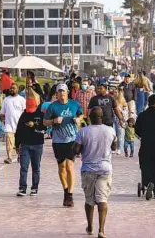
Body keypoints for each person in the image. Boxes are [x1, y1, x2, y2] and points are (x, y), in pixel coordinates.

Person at [72, 107, 117, 238]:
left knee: (89, 200)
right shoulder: (110, 130)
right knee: (102, 199)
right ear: (102, 116)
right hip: (105, 169)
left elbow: (76, 149)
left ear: (90, 117)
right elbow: (114, 147)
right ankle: (101, 230)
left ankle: (90, 226)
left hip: (88, 170)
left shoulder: (83, 131)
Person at [43, 83, 84, 207]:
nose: (61, 94)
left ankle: (70, 195)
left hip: (72, 139)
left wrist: (78, 119)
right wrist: (54, 121)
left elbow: (81, 114)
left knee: (70, 166)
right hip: (58, 141)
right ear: (56, 94)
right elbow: (45, 122)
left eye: (63, 91)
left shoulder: (74, 104)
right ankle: (65, 190)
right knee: (62, 167)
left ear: (67, 92)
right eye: (59, 92)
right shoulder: (52, 107)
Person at [15, 98, 47, 197]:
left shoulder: (41, 115)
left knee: (36, 167)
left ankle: (34, 188)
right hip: (25, 145)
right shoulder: (24, 115)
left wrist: (34, 126)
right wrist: (17, 145)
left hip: (37, 144)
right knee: (23, 167)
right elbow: (18, 131)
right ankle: (22, 188)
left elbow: (45, 128)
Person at [0, 83, 26, 164]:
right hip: (9, 125)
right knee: (8, 140)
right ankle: (9, 157)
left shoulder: (22, 100)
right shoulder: (6, 100)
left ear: (17, 89)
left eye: (14, 88)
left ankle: (19, 156)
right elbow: (2, 113)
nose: (12, 89)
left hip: (20, 125)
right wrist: (2, 121)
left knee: (19, 143)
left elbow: (25, 112)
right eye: (11, 88)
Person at [113, 88, 128, 155]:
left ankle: (119, 148)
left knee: (119, 134)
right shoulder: (112, 99)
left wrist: (121, 111)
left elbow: (125, 110)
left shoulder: (122, 101)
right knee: (113, 134)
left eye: (116, 92)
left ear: (119, 93)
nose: (114, 94)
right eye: (114, 92)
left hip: (119, 118)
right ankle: (114, 148)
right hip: (112, 118)